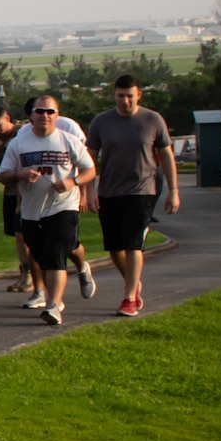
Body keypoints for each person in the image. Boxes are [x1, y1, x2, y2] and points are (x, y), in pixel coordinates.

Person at [0, 95, 97, 326]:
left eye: (50, 112)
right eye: (40, 111)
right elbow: (4, 174)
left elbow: (89, 170)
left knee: (55, 254)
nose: (45, 115)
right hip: (32, 211)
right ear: (31, 115)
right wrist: (19, 175)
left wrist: (73, 182)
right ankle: (82, 266)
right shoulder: (19, 143)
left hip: (64, 206)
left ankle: (54, 305)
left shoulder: (68, 140)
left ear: (57, 115)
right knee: (41, 255)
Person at [86, 74, 178, 317]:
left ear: (139, 95)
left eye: (129, 96)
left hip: (142, 190)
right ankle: (133, 281)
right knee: (115, 248)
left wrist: (173, 191)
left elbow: (167, 156)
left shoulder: (152, 120)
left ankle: (129, 297)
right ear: (114, 95)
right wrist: (89, 190)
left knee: (133, 244)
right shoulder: (101, 122)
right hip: (109, 191)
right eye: (120, 96)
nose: (125, 101)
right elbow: (90, 158)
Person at [0, 104, 35, 294]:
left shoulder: (21, 134)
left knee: (25, 234)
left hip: (25, 191)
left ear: (8, 118)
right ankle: (24, 274)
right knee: (17, 234)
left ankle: (31, 275)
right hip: (9, 191)